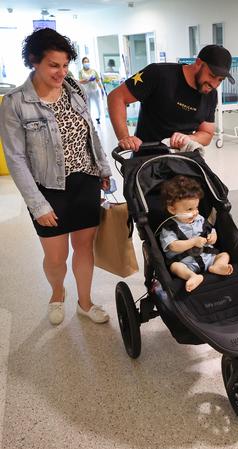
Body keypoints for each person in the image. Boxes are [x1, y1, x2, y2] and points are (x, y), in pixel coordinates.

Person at [0, 28, 111, 325]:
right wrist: (38, 205)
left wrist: (102, 168)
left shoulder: (75, 88)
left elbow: (91, 132)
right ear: (33, 61)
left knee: (85, 247)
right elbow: (16, 159)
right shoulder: (15, 102)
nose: (61, 72)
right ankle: (57, 293)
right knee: (56, 257)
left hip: (85, 180)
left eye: (65, 65)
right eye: (53, 65)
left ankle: (85, 303)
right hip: (48, 189)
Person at [107, 44, 234, 152]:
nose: (214, 84)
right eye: (212, 76)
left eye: (220, 80)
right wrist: (125, 137)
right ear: (198, 63)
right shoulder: (158, 74)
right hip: (148, 158)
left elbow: (207, 134)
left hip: (183, 160)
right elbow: (116, 97)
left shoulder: (211, 94)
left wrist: (189, 138)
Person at [159, 175, 233, 292]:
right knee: (174, 267)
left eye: (196, 207)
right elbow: (173, 246)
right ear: (172, 209)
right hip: (186, 263)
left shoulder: (199, 219)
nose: (195, 213)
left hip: (208, 258)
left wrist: (213, 236)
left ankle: (217, 266)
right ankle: (192, 277)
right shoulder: (169, 228)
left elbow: (209, 229)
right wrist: (193, 242)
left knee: (224, 255)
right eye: (189, 209)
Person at [78, 56, 105, 124]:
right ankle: (89, 118)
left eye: (87, 61)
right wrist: (87, 80)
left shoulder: (94, 71)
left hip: (94, 90)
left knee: (97, 104)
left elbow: (98, 81)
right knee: (87, 105)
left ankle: (98, 118)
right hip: (86, 91)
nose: (86, 63)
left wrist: (101, 89)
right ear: (82, 63)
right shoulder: (81, 72)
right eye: (85, 62)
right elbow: (80, 81)